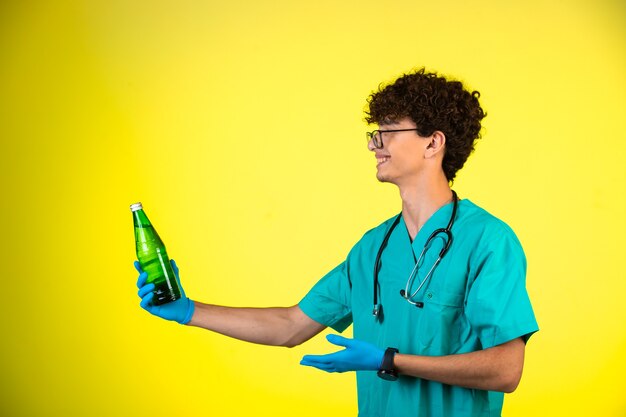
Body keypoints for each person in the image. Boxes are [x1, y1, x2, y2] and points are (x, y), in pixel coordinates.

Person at [135, 67, 539, 417]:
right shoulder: (373, 250)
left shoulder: (488, 240)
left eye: (387, 133)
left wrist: (390, 361)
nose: (372, 144)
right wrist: (189, 310)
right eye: (374, 132)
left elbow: (506, 370)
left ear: (433, 143)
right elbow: (290, 325)